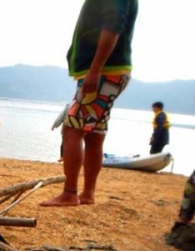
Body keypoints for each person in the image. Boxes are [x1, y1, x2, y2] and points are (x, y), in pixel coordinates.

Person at [41, 0, 138, 207]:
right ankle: (87, 193)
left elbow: (113, 25)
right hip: (109, 72)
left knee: (71, 129)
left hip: (104, 72)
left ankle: (69, 193)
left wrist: (95, 69)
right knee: (94, 133)